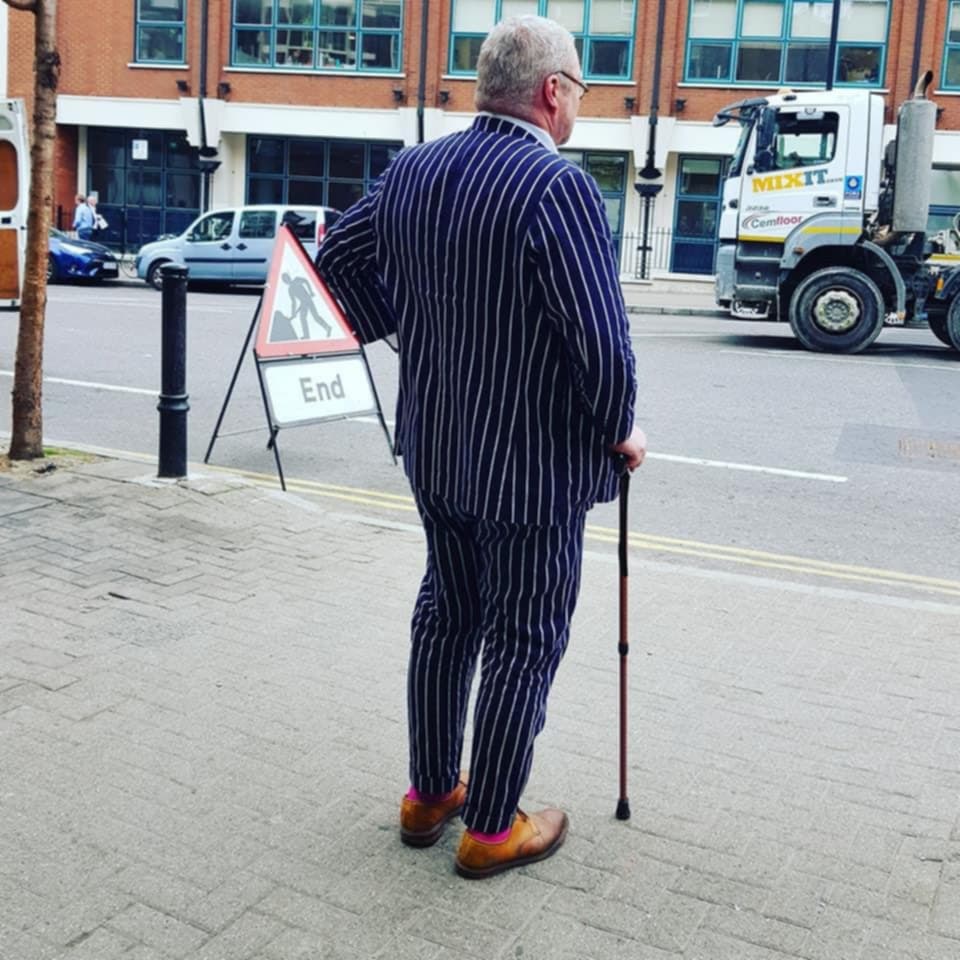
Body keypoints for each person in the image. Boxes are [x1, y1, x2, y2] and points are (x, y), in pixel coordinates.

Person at [316, 15, 646, 879]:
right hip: (531, 470)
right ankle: (493, 825)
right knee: (524, 636)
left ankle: (429, 793)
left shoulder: (415, 168)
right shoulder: (555, 186)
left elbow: (333, 258)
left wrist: (400, 326)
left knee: (447, 612)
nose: (577, 108)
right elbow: (599, 344)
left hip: (437, 449)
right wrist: (621, 429)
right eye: (578, 91)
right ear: (551, 92)